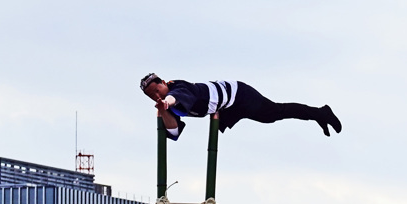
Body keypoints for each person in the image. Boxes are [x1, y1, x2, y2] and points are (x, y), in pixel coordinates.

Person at [139, 73, 341, 141]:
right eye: (152, 96)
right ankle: (318, 115)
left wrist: (166, 103)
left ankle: (320, 113)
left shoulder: (178, 88)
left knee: (274, 113)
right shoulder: (167, 105)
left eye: (158, 90)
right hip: (226, 108)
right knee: (216, 132)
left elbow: (175, 97)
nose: (157, 96)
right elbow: (173, 131)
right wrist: (163, 109)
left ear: (164, 83)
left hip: (238, 96)